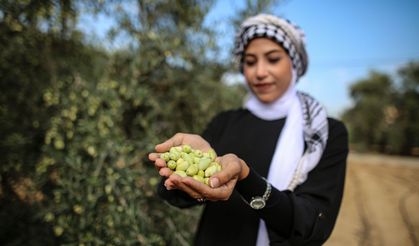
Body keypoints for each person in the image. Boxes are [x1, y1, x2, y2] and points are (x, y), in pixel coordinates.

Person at [149, 13, 348, 246]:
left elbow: (313, 226)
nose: (260, 72)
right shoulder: (225, 121)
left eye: (273, 59)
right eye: (250, 62)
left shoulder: (324, 133)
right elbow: (174, 195)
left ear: (294, 63)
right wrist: (178, 180)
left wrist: (245, 177)